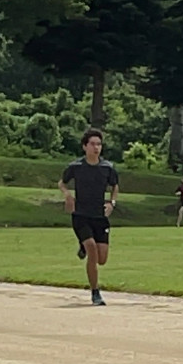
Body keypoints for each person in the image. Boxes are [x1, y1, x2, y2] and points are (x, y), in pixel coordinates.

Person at [59, 127, 118, 306]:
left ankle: (83, 247)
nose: (96, 147)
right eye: (92, 144)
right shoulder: (76, 167)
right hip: (81, 215)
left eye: (99, 144)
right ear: (85, 146)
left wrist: (112, 203)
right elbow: (62, 182)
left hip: (99, 217)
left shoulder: (107, 168)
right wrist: (68, 195)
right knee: (92, 249)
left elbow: (115, 186)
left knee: (102, 259)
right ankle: (95, 293)